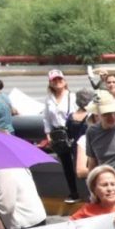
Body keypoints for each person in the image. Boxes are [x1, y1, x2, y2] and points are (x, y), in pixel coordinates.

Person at [43, 69, 79, 204]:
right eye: (54, 80)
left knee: (80, 161)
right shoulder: (49, 99)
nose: (58, 82)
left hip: (72, 131)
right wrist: (48, 134)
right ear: (50, 83)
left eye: (60, 79)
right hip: (58, 134)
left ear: (65, 81)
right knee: (66, 165)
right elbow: (46, 118)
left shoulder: (72, 96)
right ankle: (73, 192)